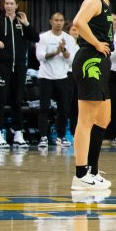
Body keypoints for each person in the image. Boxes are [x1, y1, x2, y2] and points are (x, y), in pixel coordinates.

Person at [69, 0, 116, 190]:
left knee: (104, 118)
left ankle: (93, 170)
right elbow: (78, 23)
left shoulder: (106, 2)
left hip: (101, 63)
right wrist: (98, 44)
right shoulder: (94, 0)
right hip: (90, 61)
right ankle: (80, 175)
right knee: (86, 120)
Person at [0, 0, 38, 148]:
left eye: (12, 3)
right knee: (0, 100)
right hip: (2, 66)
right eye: (6, 3)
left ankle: (18, 132)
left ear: (17, 5)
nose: (9, 6)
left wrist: (26, 23)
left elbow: (35, 38)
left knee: (17, 100)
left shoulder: (21, 22)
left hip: (19, 67)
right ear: (3, 5)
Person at [35, 11, 79, 148]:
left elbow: (71, 59)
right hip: (45, 77)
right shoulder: (43, 37)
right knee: (44, 108)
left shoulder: (69, 39)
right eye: (56, 20)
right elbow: (40, 56)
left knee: (64, 109)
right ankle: (43, 136)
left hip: (62, 76)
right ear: (51, 21)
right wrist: (56, 52)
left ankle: (61, 136)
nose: (58, 22)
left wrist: (63, 49)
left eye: (61, 20)